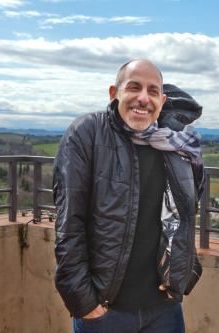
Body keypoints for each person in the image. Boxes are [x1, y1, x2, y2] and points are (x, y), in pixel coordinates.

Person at [53, 59, 205, 332]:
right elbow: (69, 224)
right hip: (105, 310)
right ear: (114, 93)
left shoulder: (178, 145)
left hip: (165, 306)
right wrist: (85, 304)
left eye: (153, 91)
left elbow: (188, 212)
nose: (143, 98)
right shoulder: (87, 133)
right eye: (134, 87)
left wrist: (185, 273)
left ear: (162, 99)